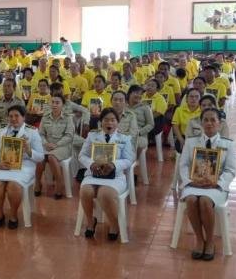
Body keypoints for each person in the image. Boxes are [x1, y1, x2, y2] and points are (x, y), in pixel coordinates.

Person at [178, 108, 236, 260]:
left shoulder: (228, 144)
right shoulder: (191, 142)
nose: (209, 123)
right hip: (193, 183)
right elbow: (183, 165)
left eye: (213, 120)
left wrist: (217, 183)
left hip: (215, 187)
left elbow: (230, 170)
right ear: (201, 123)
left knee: (204, 201)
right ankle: (199, 239)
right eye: (206, 120)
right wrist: (191, 181)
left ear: (219, 123)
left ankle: (209, 241)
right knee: (191, 200)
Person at [78, 108, 135, 241]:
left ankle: (114, 225)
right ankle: (90, 221)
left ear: (117, 122)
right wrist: (91, 164)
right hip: (93, 174)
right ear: (100, 122)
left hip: (115, 176)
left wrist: (114, 164)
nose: (109, 123)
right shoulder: (92, 136)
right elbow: (82, 155)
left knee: (105, 194)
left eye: (113, 120)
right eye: (106, 120)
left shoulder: (124, 138)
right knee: (85, 191)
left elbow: (129, 159)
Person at [0, 105, 45, 229]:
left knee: (13, 185)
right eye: (11, 116)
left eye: (17, 116)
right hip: (4, 165)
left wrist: (29, 151)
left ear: (23, 117)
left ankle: (13, 215)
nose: (13, 119)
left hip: (23, 166)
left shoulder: (32, 132)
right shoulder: (1, 131)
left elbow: (40, 157)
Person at [37, 95, 75, 199]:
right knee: (39, 157)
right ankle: (38, 183)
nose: (54, 105)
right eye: (52, 102)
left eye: (57, 103)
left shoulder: (68, 118)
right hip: (47, 145)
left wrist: (56, 145)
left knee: (51, 157)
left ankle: (59, 184)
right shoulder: (45, 117)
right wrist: (45, 143)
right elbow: (40, 134)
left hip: (63, 146)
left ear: (62, 105)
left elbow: (69, 136)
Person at [126, 85, 154, 156]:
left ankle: (131, 162)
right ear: (129, 93)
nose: (139, 95)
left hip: (139, 136)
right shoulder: (124, 106)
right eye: (136, 93)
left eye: (141, 94)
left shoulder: (145, 107)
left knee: (133, 144)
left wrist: (139, 132)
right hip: (124, 133)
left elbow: (151, 124)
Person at [172, 89, 202, 153]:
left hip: (200, 137)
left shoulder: (203, 110)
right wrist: (181, 140)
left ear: (200, 99)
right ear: (186, 99)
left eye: (196, 97)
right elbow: (175, 126)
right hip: (184, 137)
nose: (194, 99)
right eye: (191, 96)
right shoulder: (179, 110)